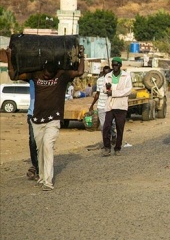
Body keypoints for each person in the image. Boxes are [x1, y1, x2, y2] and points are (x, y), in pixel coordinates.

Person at [7, 45, 85, 191]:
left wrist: (82, 55)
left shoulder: (61, 76)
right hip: (36, 119)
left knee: (48, 146)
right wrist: (9, 58)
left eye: (51, 74)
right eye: (46, 74)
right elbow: (13, 75)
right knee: (40, 150)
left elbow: (80, 72)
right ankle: (42, 176)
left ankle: (48, 182)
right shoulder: (35, 74)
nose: (47, 76)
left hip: (53, 119)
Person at [102, 57, 132, 157]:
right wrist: (107, 89)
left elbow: (128, 90)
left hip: (121, 105)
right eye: (113, 65)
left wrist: (114, 93)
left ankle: (117, 148)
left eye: (116, 65)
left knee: (120, 128)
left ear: (120, 65)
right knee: (106, 127)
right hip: (110, 105)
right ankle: (107, 147)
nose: (114, 67)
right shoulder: (107, 76)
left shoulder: (126, 76)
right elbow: (104, 90)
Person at [89, 66, 117, 146]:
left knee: (111, 124)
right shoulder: (99, 80)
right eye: (105, 73)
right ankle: (106, 143)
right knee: (103, 125)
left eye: (108, 73)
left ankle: (114, 135)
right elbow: (97, 93)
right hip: (101, 105)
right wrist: (92, 105)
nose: (106, 75)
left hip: (111, 105)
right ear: (103, 73)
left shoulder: (114, 80)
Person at [25, 79, 39, 181]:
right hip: (32, 114)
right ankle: (35, 165)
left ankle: (40, 167)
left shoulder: (48, 77)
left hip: (44, 114)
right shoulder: (31, 78)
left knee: (43, 143)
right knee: (33, 142)